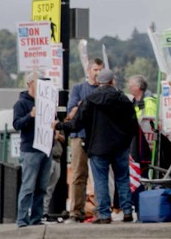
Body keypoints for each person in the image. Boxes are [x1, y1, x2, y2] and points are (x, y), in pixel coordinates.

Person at [58, 68, 138, 225]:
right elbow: (133, 125)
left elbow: (76, 124)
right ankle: (127, 211)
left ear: (98, 82)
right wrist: (126, 142)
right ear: (112, 81)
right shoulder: (123, 99)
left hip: (97, 147)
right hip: (120, 146)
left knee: (100, 180)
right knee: (122, 178)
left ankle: (104, 214)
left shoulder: (90, 100)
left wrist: (59, 125)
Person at [66, 58, 104, 222]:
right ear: (89, 71)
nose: (97, 73)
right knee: (78, 174)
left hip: (98, 137)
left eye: (100, 70)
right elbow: (71, 112)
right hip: (80, 135)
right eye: (95, 70)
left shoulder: (105, 89)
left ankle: (101, 210)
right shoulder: (79, 88)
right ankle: (75, 212)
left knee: (100, 176)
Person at [13, 73, 52, 228]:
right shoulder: (21, 104)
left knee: (41, 187)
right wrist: (31, 116)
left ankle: (36, 217)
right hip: (30, 149)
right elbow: (17, 124)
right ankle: (22, 219)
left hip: (45, 148)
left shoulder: (46, 102)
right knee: (28, 186)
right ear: (30, 84)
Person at [127, 75, 158, 178]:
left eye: (131, 85)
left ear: (138, 87)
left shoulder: (149, 102)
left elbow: (149, 122)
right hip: (136, 141)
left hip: (145, 144)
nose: (129, 87)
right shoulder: (134, 102)